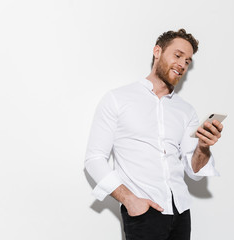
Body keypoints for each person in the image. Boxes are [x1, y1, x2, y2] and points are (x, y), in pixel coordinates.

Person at [85, 29, 224, 240]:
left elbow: (194, 170)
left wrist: (203, 147)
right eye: (177, 56)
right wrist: (130, 200)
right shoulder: (118, 99)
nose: (182, 65)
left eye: (187, 61)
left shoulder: (186, 110)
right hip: (144, 213)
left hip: (180, 211)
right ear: (157, 51)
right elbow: (94, 159)